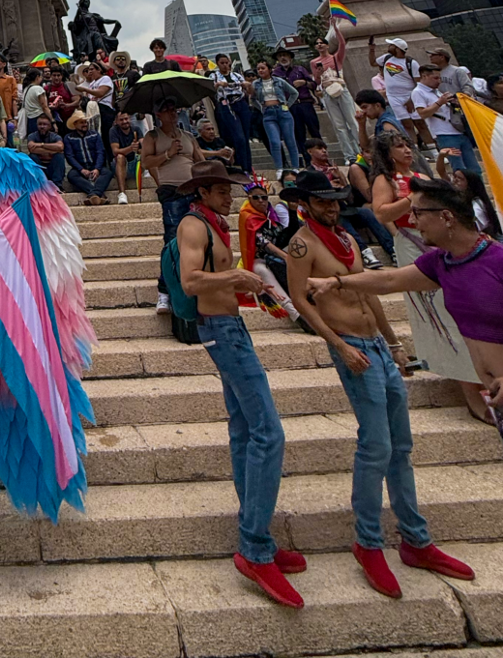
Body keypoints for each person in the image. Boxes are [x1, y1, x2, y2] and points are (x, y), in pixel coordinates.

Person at [285, 172, 475, 597]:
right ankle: (368, 542)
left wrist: (393, 342)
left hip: (375, 342)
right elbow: (301, 300)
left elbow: (370, 291)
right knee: (376, 445)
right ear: (306, 203)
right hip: (350, 345)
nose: (332, 207)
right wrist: (338, 345)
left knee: (401, 446)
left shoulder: (347, 239)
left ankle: (416, 538)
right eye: (324, 201)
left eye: (336, 200)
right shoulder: (302, 243)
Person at [176, 158, 302, 607]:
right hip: (221, 331)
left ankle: (257, 531)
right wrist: (238, 276)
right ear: (204, 192)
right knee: (268, 431)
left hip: (231, 324)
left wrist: (249, 286)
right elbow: (190, 282)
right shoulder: (193, 226)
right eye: (223, 191)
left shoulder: (213, 223)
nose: (231, 198)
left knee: (245, 429)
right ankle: (254, 546)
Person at [314, 174, 503, 417]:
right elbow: (388, 280)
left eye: (418, 213)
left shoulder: (496, 260)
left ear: (446, 217)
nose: (412, 221)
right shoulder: (441, 262)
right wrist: (336, 282)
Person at [367, 130, 487, 421]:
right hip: (412, 243)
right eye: (399, 146)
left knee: (460, 306)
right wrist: (412, 199)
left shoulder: (418, 172)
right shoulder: (385, 180)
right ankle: (467, 384)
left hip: (439, 242)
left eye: (408, 144)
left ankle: (476, 372)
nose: (407, 150)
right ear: (388, 153)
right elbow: (381, 213)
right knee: (441, 311)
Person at [142, 99, 207, 314]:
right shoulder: (152, 137)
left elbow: (200, 161)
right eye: (167, 110)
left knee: (200, 239)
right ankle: (164, 291)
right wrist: (168, 153)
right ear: (158, 114)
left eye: (174, 109)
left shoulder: (188, 136)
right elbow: (146, 163)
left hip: (193, 191)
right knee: (172, 240)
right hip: (172, 192)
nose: (172, 113)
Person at [236, 179, 302, 323]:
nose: (261, 201)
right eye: (256, 197)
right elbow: (262, 242)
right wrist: (284, 256)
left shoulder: (270, 216)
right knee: (262, 270)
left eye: (264, 197)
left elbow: (285, 235)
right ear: (249, 199)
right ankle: (296, 314)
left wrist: (292, 211)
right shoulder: (247, 216)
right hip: (256, 260)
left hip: (275, 257)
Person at [411, 65, 479, 172]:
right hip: (444, 134)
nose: (439, 81)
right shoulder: (418, 92)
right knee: (459, 169)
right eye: (435, 78)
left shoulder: (436, 91)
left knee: (474, 168)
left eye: (439, 78)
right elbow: (422, 113)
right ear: (424, 76)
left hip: (458, 131)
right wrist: (440, 102)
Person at [311, 28, 361, 162]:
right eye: (317, 43)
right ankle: (349, 155)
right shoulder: (314, 62)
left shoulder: (335, 57)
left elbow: (342, 44)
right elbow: (316, 81)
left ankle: (361, 150)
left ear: (327, 45)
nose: (320, 45)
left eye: (322, 43)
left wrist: (336, 28)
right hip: (327, 91)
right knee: (339, 126)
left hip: (341, 88)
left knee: (352, 121)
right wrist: (318, 72)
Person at [249, 61, 301, 178]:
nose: (261, 71)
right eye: (258, 69)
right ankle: (279, 168)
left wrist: (287, 105)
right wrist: (261, 108)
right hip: (268, 113)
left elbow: (294, 93)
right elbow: (252, 99)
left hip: (282, 110)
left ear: (269, 69)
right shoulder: (256, 84)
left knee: (290, 140)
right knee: (274, 141)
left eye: (263, 68)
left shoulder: (279, 81)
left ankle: (295, 167)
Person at [368, 36, 422, 143]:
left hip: (409, 96)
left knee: (420, 124)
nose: (389, 47)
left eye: (391, 45)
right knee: (406, 125)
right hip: (394, 97)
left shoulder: (411, 63)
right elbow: (373, 62)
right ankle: (414, 148)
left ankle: (433, 150)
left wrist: (412, 100)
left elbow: (419, 83)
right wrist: (371, 49)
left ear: (397, 48)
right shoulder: (386, 58)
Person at [212, 54, 253, 172]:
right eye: (222, 63)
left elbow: (249, 91)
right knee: (238, 136)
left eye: (226, 63)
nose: (225, 65)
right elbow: (212, 89)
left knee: (245, 136)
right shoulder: (214, 75)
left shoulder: (237, 75)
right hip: (226, 104)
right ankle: (242, 164)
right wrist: (218, 84)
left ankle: (248, 167)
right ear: (218, 64)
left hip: (241, 103)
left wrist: (247, 85)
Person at [63, 110, 113, 204]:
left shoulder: (94, 134)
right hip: (80, 168)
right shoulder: (68, 138)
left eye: (85, 122)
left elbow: (100, 152)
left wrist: (97, 168)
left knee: (107, 173)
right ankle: (98, 194)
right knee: (71, 175)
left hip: (94, 165)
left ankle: (93, 194)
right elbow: (70, 156)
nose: (85, 124)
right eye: (82, 122)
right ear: (75, 124)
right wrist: (81, 169)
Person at [274, 52, 321, 149]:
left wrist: (304, 82)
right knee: (298, 134)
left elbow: (313, 84)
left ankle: (322, 155)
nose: (283, 58)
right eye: (280, 56)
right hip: (290, 106)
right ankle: (306, 159)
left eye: (285, 55)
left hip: (305, 103)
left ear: (290, 57)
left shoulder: (300, 69)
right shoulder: (275, 74)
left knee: (314, 130)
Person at [109, 108, 141, 203]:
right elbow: (115, 151)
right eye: (121, 120)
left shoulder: (136, 129)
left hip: (135, 163)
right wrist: (131, 148)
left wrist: (140, 148)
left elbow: (144, 146)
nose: (125, 122)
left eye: (126, 119)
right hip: (121, 165)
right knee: (120, 157)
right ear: (116, 121)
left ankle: (160, 186)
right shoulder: (113, 131)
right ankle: (122, 193)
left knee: (146, 155)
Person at [24, 113, 65, 188]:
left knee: (59, 156)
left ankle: (57, 186)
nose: (42, 127)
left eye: (45, 124)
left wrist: (41, 145)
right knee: (32, 156)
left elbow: (60, 147)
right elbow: (32, 149)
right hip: (40, 167)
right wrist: (52, 150)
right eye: (40, 124)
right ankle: (38, 185)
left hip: (52, 168)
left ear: (50, 126)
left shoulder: (55, 136)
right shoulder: (32, 136)